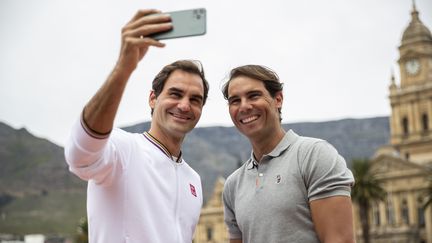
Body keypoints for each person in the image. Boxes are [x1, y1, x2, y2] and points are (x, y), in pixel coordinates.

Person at [64, 9, 209, 243]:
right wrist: (124, 67)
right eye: (175, 94)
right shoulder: (124, 149)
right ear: (153, 98)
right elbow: (79, 155)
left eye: (195, 99)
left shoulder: (194, 180)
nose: (184, 105)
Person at [221, 65, 355, 243]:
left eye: (253, 95)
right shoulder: (232, 185)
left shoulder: (314, 156)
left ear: (278, 99)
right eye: (235, 100)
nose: (244, 106)